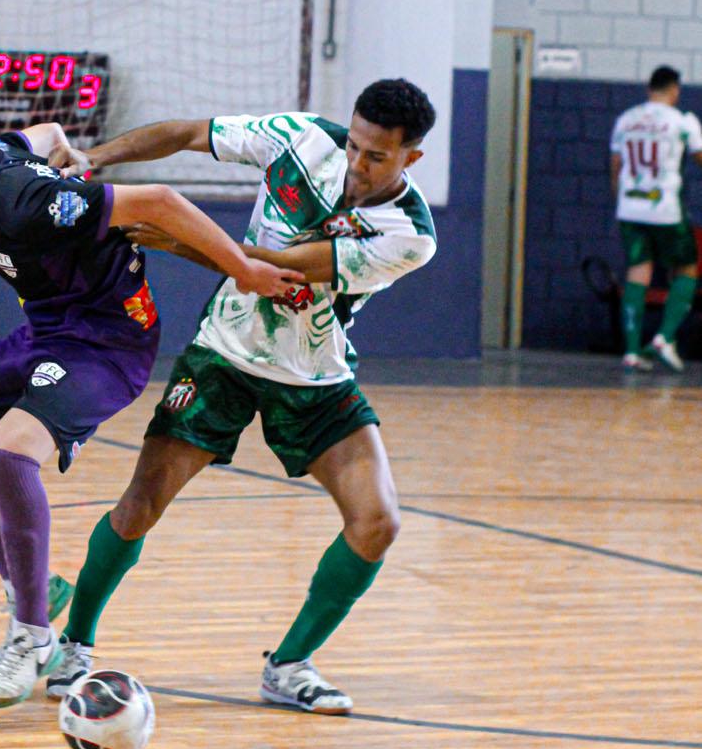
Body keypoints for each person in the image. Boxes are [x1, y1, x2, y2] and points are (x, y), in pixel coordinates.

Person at [0, 113, 299, 709]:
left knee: (11, 454)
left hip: (108, 341)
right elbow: (43, 132)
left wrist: (244, 270)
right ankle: (27, 583)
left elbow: (162, 201)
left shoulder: (25, 201)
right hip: (48, 329)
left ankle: (32, 634)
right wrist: (66, 147)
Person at [46, 78, 438, 716]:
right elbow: (186, 134)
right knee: (140, 505)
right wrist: (98, 159)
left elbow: (275, 270)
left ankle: (289, 667)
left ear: (410, 160)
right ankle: (74, 643)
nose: (358, 165)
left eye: (377, 157)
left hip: (315, 377)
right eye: (357, 146)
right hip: (225, 353)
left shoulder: (408, 234)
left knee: (378, 522)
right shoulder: (302, 139)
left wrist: (173, 234)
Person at [609, 64, 702, 372]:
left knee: (638, 272)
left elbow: (616, 164)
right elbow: (699, 156)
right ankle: (664, 336)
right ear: (675, 90)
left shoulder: (626, 120)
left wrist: (618, 200)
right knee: (688, 268)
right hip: (664, 209)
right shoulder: (682, 121)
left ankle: (632, 352)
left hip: (630, 207)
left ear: (649, 89)